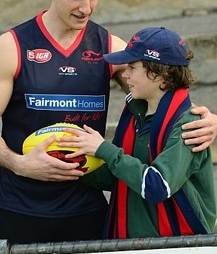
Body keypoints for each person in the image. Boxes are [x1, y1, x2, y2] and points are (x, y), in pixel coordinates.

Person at [0, 0, 216, 245]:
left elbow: (164, 96)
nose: (86, 8)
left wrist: (206, 119)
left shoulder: (110, 48)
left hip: (86, 208)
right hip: (20, 205)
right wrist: (18, 163)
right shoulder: (12, 46)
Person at [59, 27, 217, 239]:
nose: (124, 74)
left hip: (177, 247)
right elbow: (118, 176)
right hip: (130, 244)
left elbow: (157, 186)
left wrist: (104, 149)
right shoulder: (134, 113)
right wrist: (71, 161)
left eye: (132, 67)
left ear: (160, 74)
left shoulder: (189, 125)